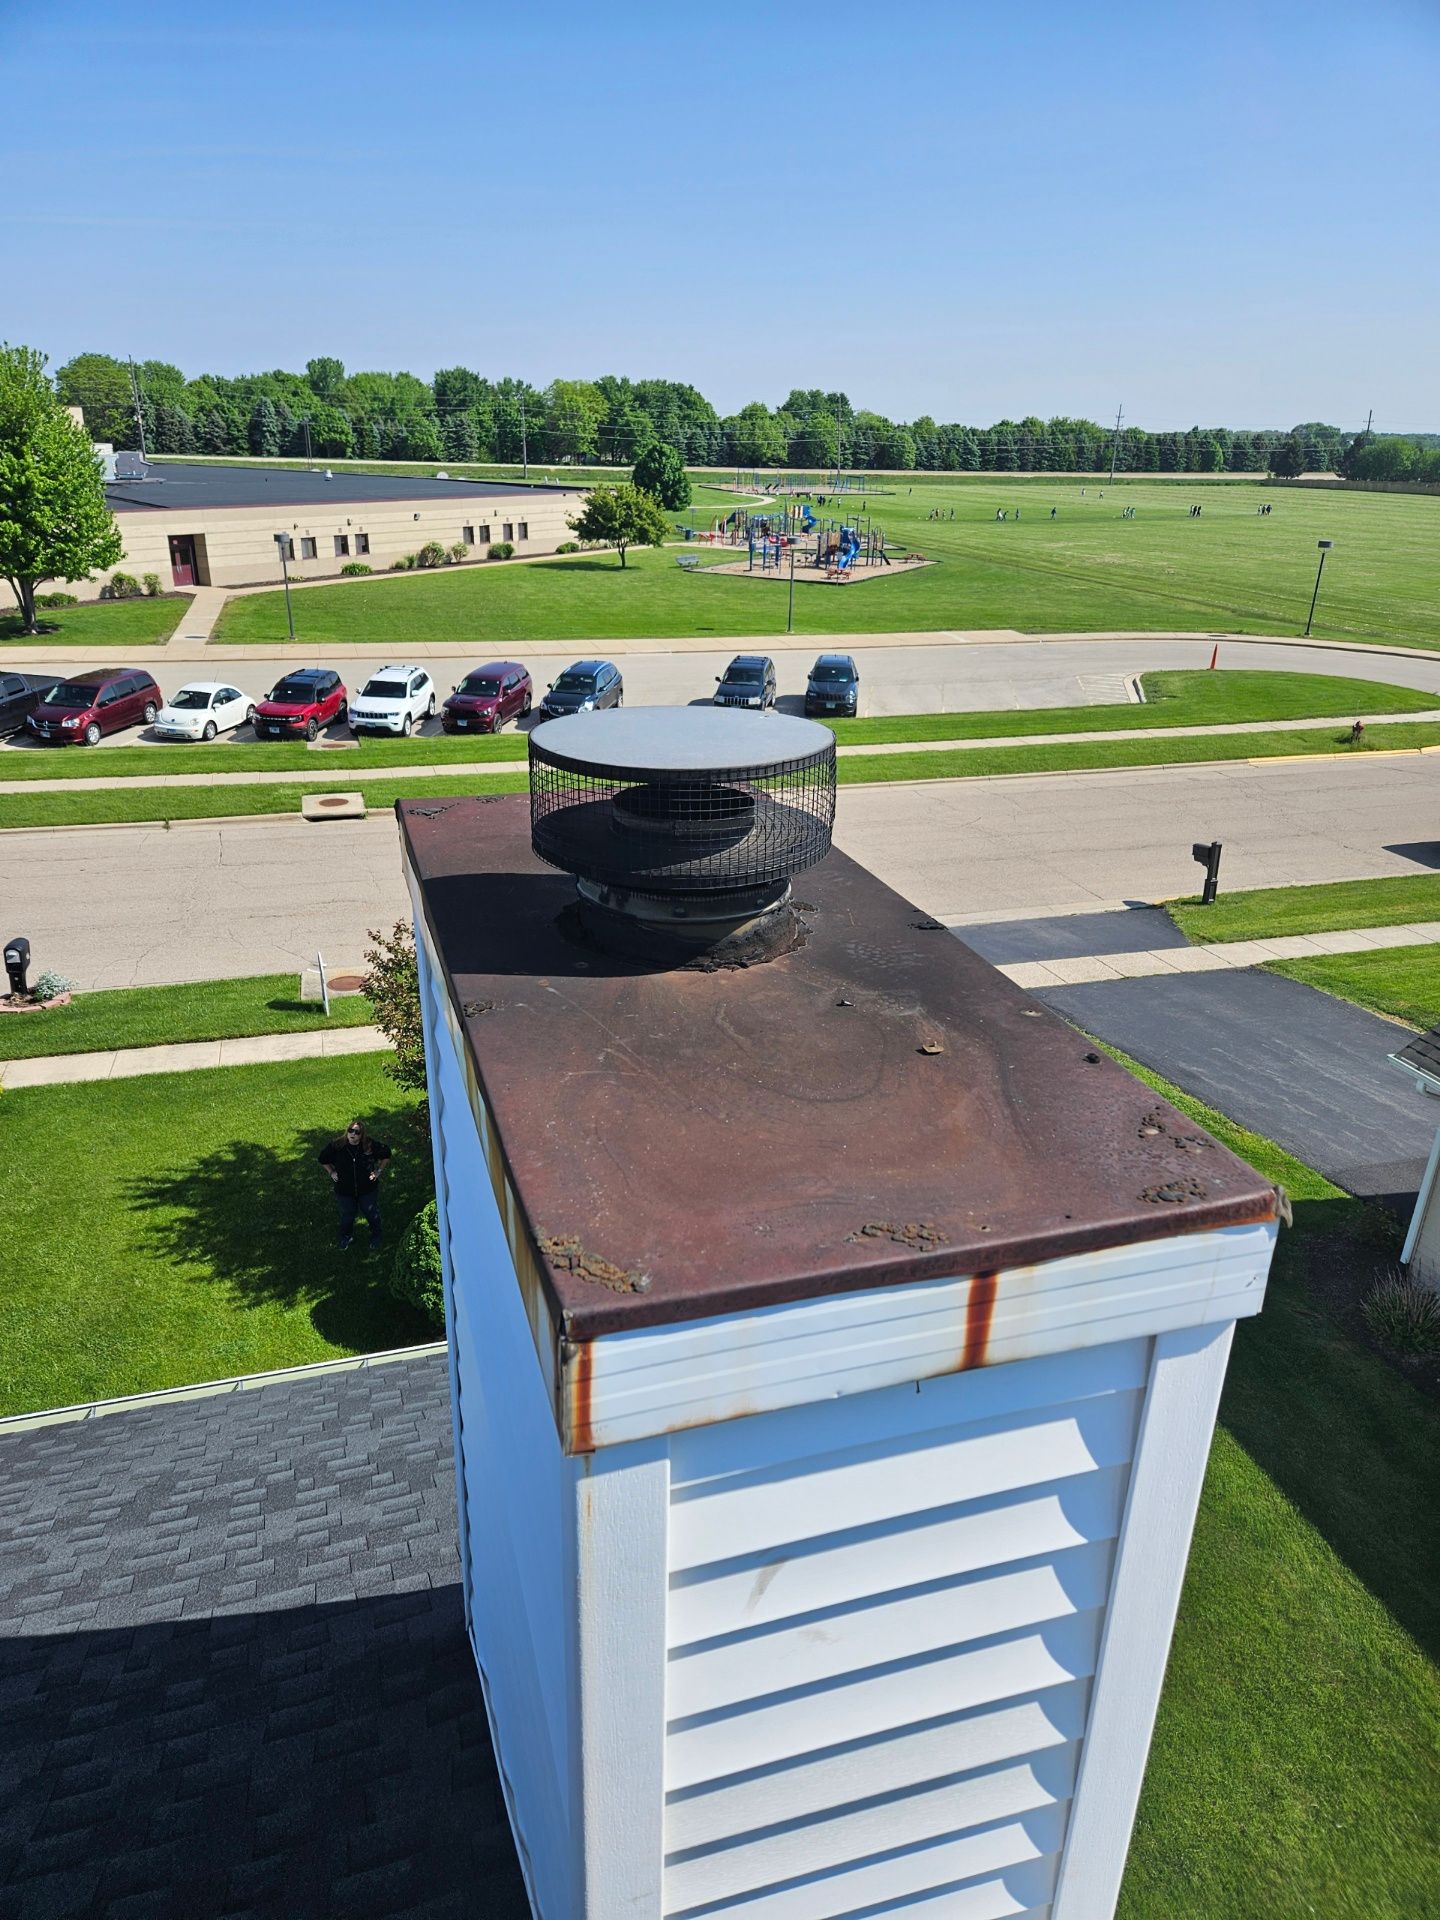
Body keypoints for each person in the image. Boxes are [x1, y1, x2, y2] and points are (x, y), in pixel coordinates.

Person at [319, 1119, 392, 1251]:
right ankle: (346, 1237)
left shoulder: (370, 1145)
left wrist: (378, 1171)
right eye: (350, 1131)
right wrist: (331, 1172)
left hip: (367, 1189)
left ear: (362, 1135)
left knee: (370, 1212)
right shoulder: (337, 1146)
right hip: (344, 1190)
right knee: (348, 1214)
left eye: (357, 1132)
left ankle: (376, 1236)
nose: (353, 1134)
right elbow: (322, 1159)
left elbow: (386, 1155)